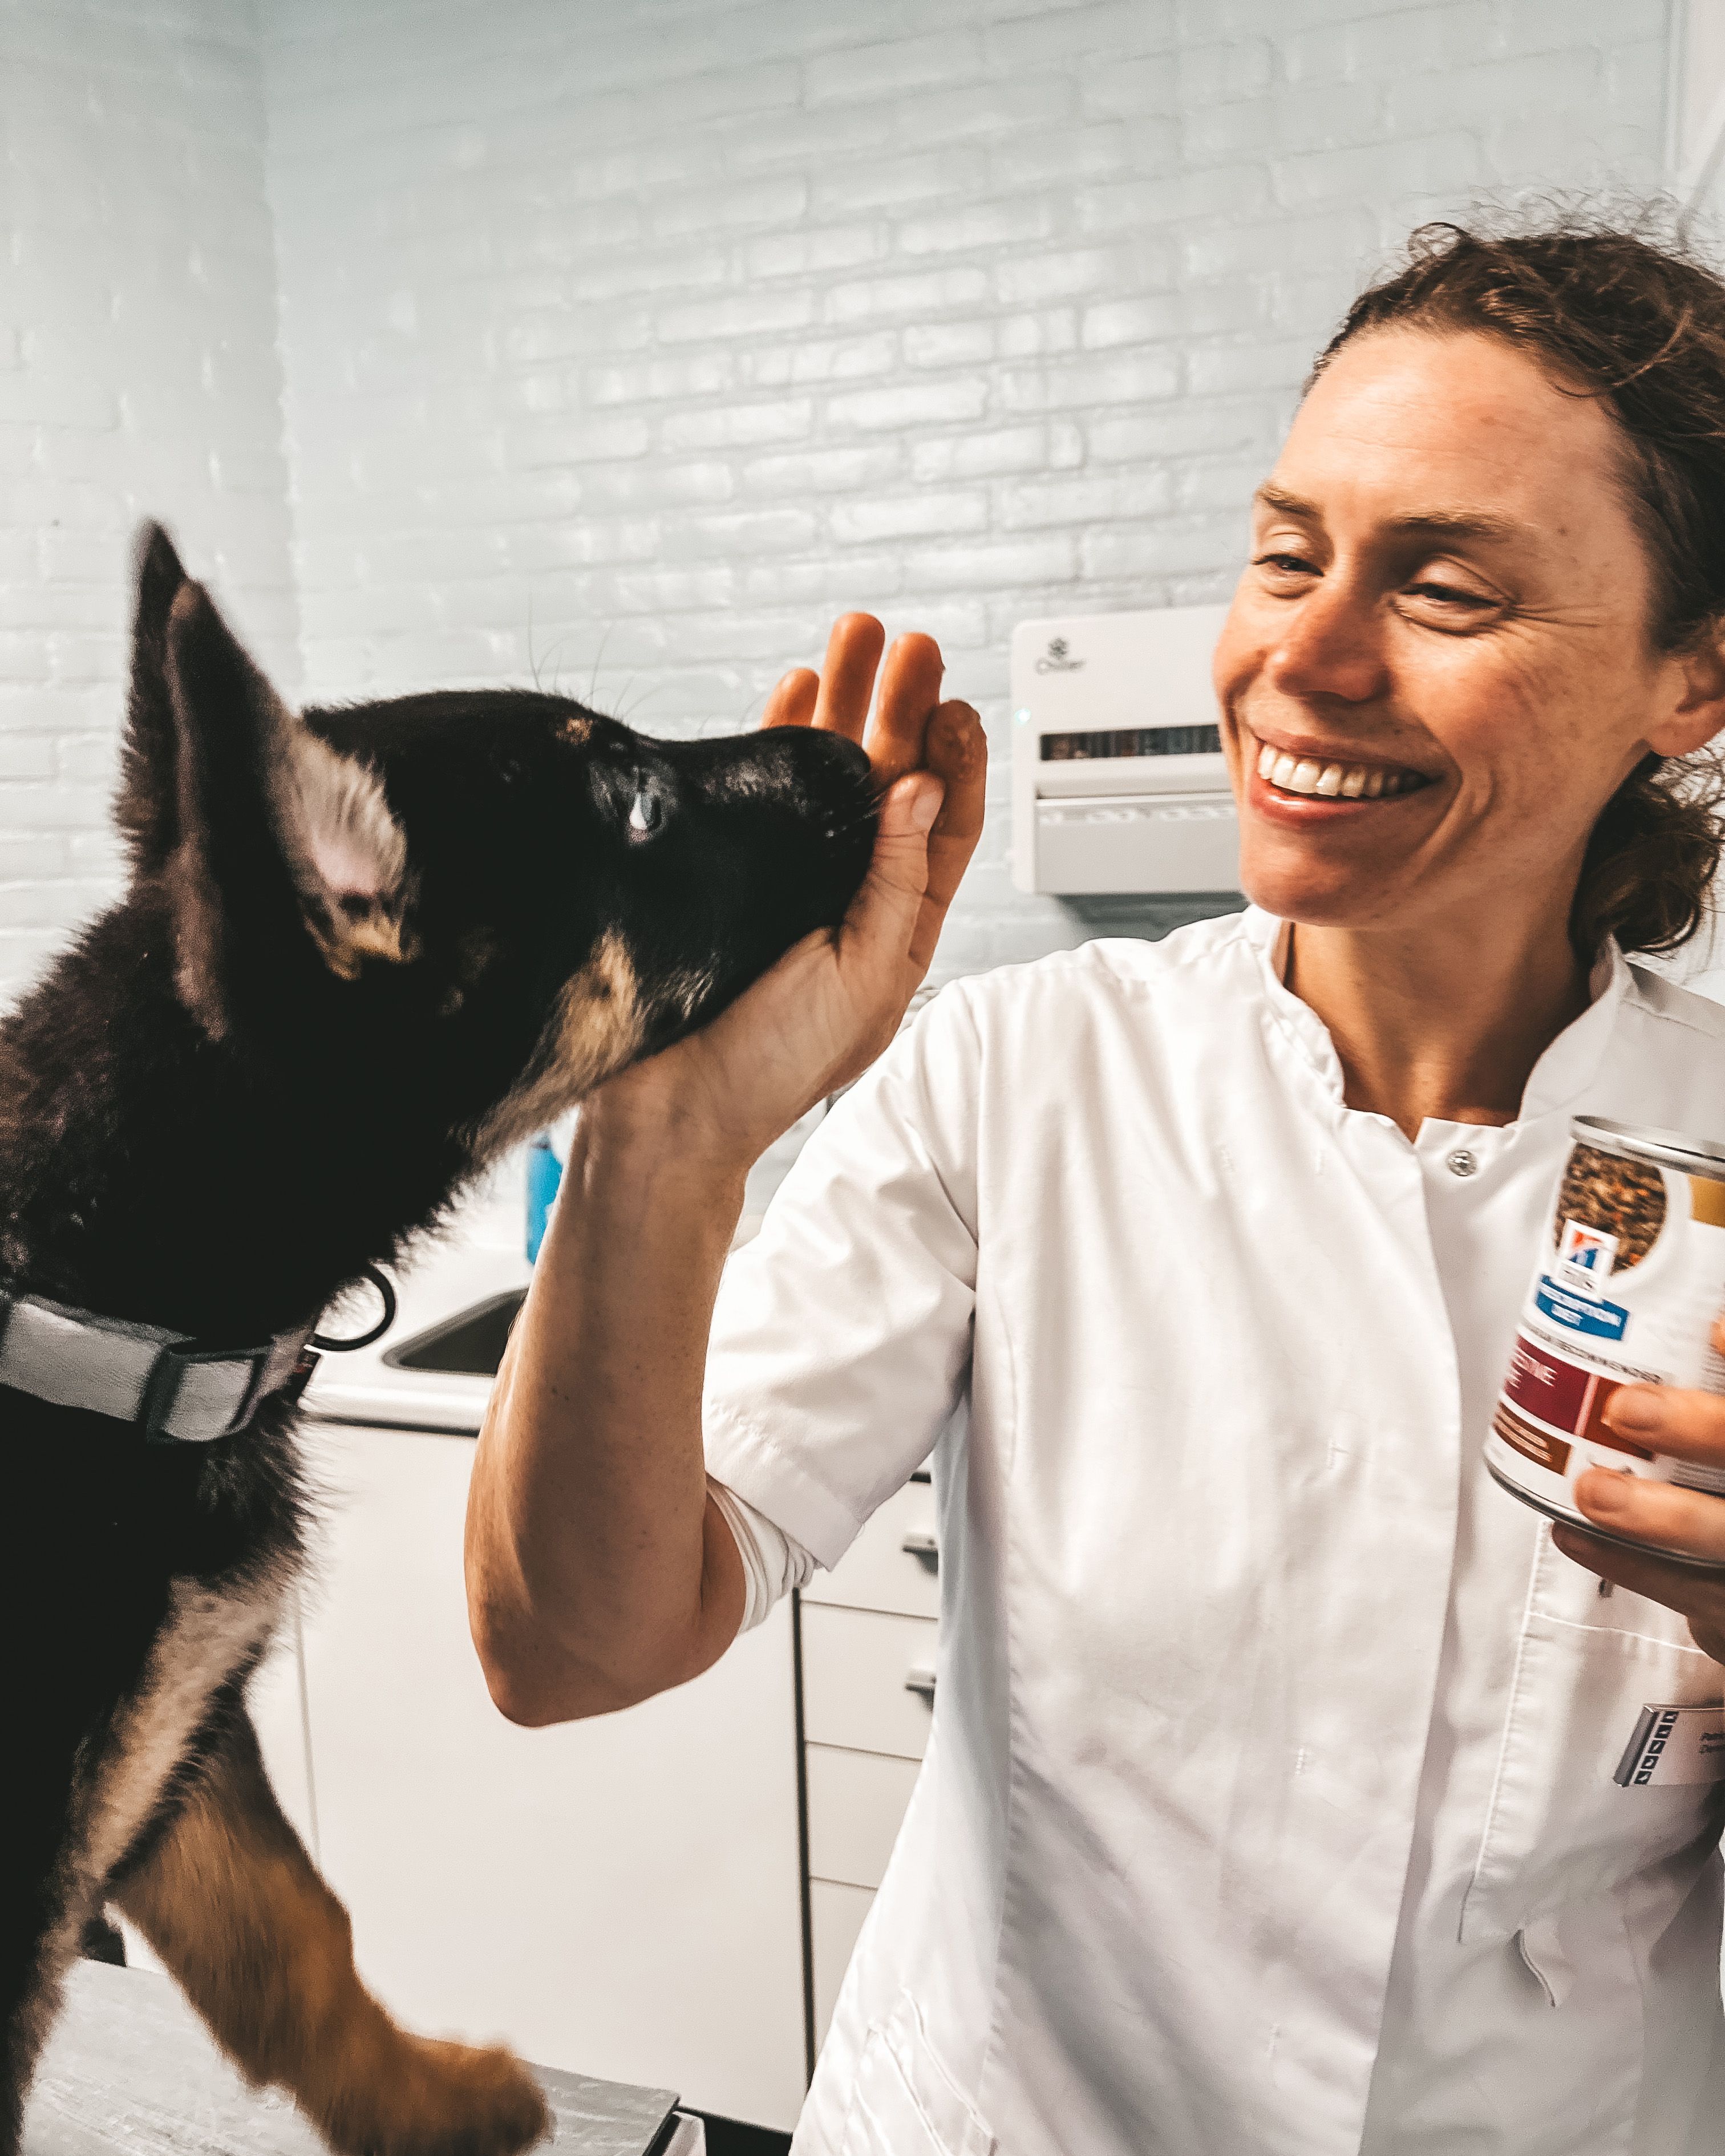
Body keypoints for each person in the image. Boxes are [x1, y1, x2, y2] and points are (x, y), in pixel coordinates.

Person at [463, 217, 1725, 2155]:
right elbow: (571, 1645)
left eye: (1446, 587)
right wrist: (668, 1129)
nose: (1304, 658)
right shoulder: (1019, 1073)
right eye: (1287, 552)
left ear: (1691, 681)